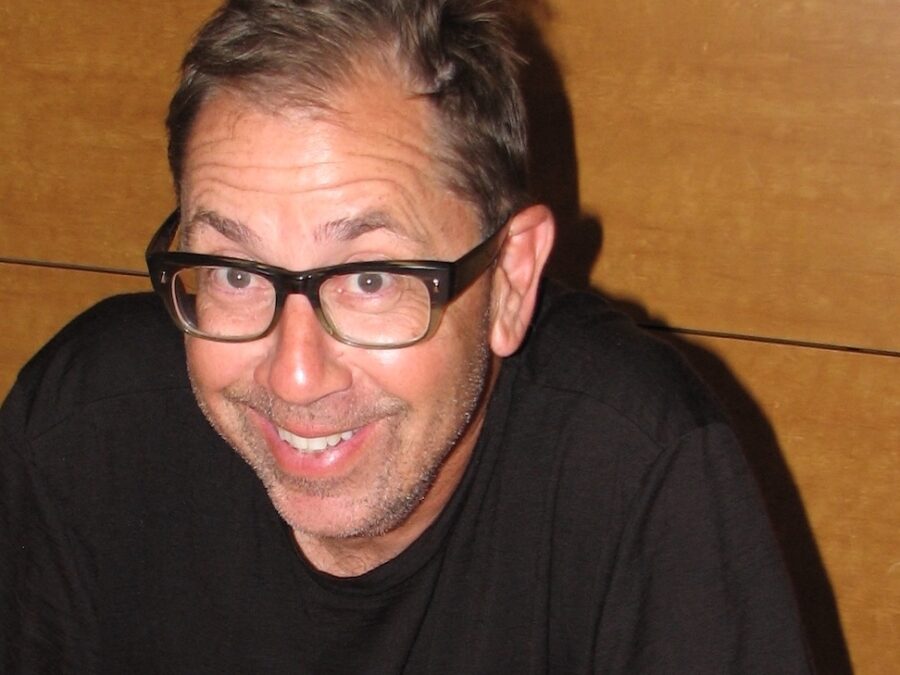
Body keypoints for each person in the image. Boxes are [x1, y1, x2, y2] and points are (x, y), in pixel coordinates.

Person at [1, 0, 813, 671]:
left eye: (371, 279)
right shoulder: (81, 433)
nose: (294, 375)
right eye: (236, 273)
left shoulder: (631, 468)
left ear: (510, 279)